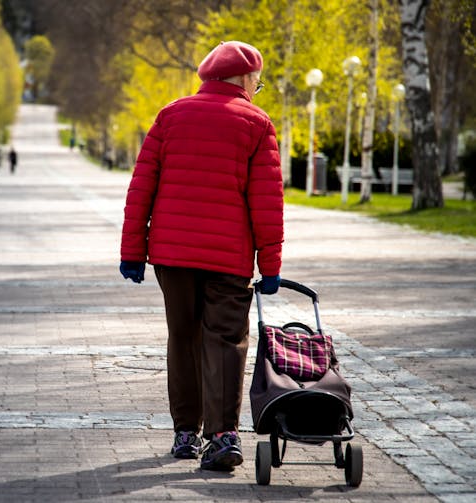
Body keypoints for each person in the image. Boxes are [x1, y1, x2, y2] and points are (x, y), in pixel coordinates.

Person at [119, 41, 284, 472]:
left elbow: (142, 188)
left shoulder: (171, 115)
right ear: (245, 78)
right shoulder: (256, 122)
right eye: (257, 82)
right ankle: (223, 436)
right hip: (228, 259)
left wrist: (133, 251)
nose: (257, 88)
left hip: (172, 257)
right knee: (226, 342)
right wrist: (270, 266)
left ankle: (184, 433)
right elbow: (266, 202)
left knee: (184, 337)